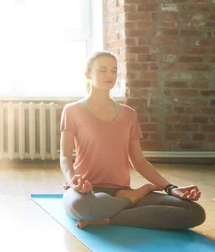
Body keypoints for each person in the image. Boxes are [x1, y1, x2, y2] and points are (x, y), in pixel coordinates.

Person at [60, 51, 205, 229]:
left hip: (121, 190)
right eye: (103, 70)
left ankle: (110, 218)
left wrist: (170, 188)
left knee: (194, 212)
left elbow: (138, 160)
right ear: (88, 75)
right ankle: (132, 199)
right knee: (80, 206)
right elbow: (65, 156)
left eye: (114, 70)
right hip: (86, 191)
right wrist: (73, 180)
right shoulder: (72, 110)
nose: (110, 75)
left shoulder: (129, 114)